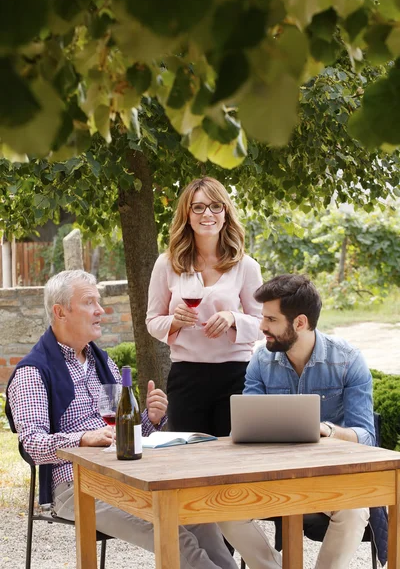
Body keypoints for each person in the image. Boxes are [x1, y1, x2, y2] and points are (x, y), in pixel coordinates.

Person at [6, 269, 240, 569]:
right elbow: (33, 444)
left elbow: (123, 432)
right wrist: (81, 438)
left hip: (124, 478)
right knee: (174, 535)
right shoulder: (33, 373)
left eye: (99, 302)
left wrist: (150, 418)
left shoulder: (102, 362)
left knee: (200, 521)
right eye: (90, 302)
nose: (100, 310)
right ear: (60, 311)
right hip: (76, 487)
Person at [221, 274, 375, 569]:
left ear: (300, 322)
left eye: (270, 319)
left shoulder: (348, 361)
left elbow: (366, 436)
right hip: (272, 476)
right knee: (222, 510)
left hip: (330, 477)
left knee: (355, 510)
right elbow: (242, 428)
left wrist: (327, 431)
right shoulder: (260, 362)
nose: (262, 326)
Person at [146, 176, 263, 437]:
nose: (207, 214)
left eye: (215, 206)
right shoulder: (167, 265)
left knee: (234, 460)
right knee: (190, 462)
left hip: (237, 376)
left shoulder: (246, 266)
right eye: (198, 207)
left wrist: (233, 318)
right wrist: (175, 321)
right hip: (186, 377)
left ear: (225, 214)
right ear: (187, 215)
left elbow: (264, 325)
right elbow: (152, 321)